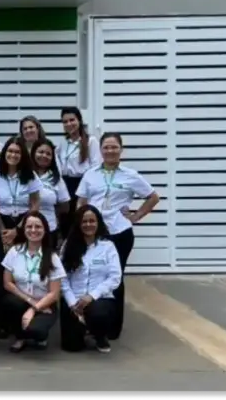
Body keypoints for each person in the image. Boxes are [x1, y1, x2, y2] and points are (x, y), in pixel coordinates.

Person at [74, 132, 159, 340]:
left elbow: (153, 197)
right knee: (90, 274)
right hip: (92, 233)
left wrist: (136, 216)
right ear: (100, 150)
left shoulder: (130, 175)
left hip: (119, 233)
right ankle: (87, 319)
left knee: (115, 279)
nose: (110, 151)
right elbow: (81, 203)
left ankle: (112, 327)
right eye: (106, 147)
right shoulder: (91, 174)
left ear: (121, 150)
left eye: (114, 147)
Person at [59, 206, 121, 353]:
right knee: (72, 347)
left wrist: (91, 296)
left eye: (92, 221)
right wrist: (72, 302)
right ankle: (81, 328)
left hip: (99, 299)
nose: (88, 225)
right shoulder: (68, 246)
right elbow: (61, 278)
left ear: (98, 223)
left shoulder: (108, 247)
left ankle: (99, 335)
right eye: (84, 221)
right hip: (74, 299)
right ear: (78, 224)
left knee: (98, 313)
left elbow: (115, 277)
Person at [0, 211, 65, 352]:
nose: (33, 230)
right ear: (23, 230)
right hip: (21, 300)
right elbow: (7, 283)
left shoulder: (52, 257)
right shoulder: (14, 252)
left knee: (37, 331)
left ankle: (39, 334)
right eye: (29, 227)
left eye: (38, 227)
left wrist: (34, 308)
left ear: (45, 230)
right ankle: (20, 336)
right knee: (9, 302)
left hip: (45, 304)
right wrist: (30, 301)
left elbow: (54, 294)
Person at [0, 138, 42, 266]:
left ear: (22, 155)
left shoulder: (30, 175)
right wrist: (4, 233)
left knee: (24, 263)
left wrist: (17, 231)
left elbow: (35, 204)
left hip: (25, 223)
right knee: (2, 264)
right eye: (10, 151)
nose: (13, 155)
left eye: (17, 152)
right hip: (1, 223)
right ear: (4, 152)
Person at [57, 107, 100, 236]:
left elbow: (96, 167)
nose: (69, 124)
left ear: (79, 120)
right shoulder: (63, 143)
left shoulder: (91, 141)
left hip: (83, 185)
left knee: (81, 223)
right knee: (66, 224)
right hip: (66, 186)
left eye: (72, 120)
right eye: (65, 122)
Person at [32, 139, 70, 243]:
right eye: (40, 152)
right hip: (26, 227)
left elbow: (65, 206)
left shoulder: (56, 179)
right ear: (33, 153)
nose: (44, 156)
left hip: (49, 228)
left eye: (48, 154)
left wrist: (51, 211)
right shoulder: (24, 175)